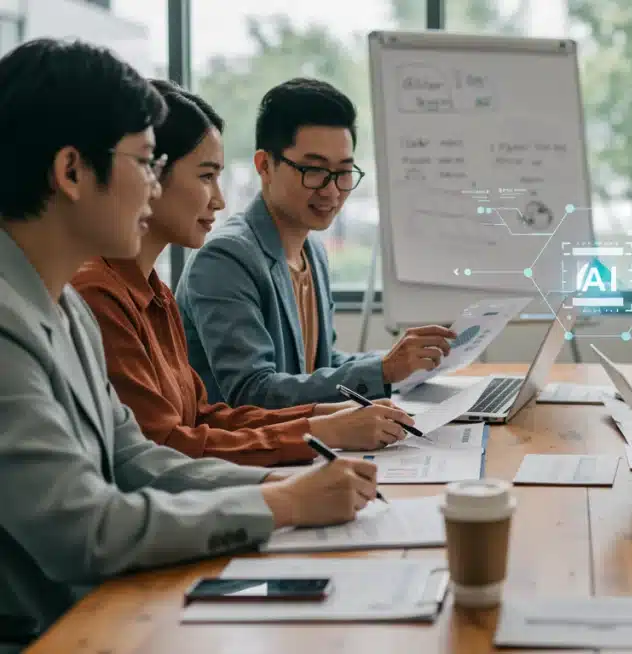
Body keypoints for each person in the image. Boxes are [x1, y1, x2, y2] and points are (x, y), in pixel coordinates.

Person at [0, 38, 380, 643]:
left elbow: (136, 458)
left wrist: (279, 486)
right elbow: (85, 529)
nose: (153, 190)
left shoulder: (63, 306)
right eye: (145, 165)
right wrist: (283, 504)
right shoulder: (15, 323)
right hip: (64, 630)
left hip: (117, 603)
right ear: (71, 172)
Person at [72, 80, 414, 466]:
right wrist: (321, 431)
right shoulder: (103, 292)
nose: (220, 200)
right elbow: (164, 446)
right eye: (206, 177)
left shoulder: (156, 293)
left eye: (344, 172)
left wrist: (325, 417)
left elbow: (201, 416)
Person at [175, 78, 456, 408]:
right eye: (314, 170)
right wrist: (382, 369)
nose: (331, 190)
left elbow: (321, 366)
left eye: (344, 172)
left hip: (305, 434)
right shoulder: (226, 258)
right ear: (265, 166)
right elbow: (253, 392)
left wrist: (405, 361)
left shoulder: (313, 252)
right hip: (245, 441)